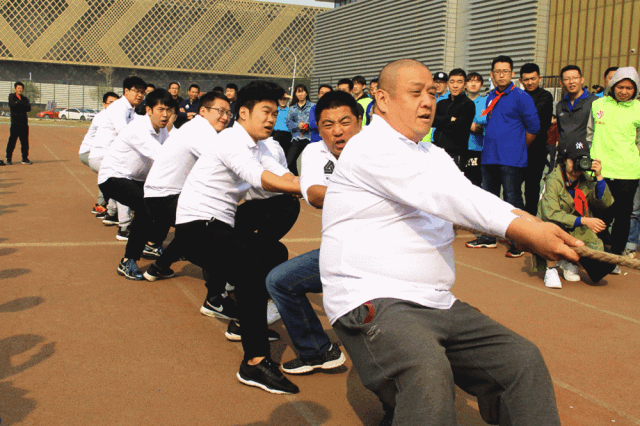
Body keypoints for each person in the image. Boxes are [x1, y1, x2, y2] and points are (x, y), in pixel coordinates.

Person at [321, 58, 577, 426]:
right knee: (426, 371)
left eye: (431, 92)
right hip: (374, 297)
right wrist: (523, 232)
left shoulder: (433, 154)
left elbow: (471, 194)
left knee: (521, 361)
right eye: (415, 93)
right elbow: (447, 197)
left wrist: (535, 223)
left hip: (437, 301)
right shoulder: (368, 148)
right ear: (382, 99)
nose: (428, 101)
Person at [174, 81, 302, 395]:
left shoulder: (259, 146)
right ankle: (255, 362)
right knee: (250, 269)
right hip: (197, 227)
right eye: (266, 112)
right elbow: (260, 179)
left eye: (275, 113)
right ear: (243, 113)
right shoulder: (231, 140)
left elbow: (283, 174)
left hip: (220, 227)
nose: (272, 119)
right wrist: (304, 188)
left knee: (274, 253)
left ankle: (246, 320)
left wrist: (317, 187)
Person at [266, 90, 359, 375]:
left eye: (345, 122)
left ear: (359, 121)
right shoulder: (314, 151)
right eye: (328, 125)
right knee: (280, 281)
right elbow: (315, 194)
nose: (337, 131)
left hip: (384, 253)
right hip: (340, 252)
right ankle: (317, 351)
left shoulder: (378, 151)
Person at [143, 91, 232, 286]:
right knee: (208, 227)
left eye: (228, 113)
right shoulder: (201, 131)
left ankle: (158, 267)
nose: (225, 117)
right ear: (203, 111)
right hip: (164, 197)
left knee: (188, 230)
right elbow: (225, 163)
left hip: (163, 195)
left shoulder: (197, 128)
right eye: (220, 111)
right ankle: (223, 282)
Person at [98, 89, 178, 280]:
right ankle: (128, 260)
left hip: (137, 179)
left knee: (164, 201)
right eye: (161, 109)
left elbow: (173, 152)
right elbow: (162, 156)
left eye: (169, 110)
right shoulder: (138, 129)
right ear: (149, 110)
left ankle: (152, 244)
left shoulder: (162, 131)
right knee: (145, 206)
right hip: (113, 177)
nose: (165, 115)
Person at [466, 55, 540, 257]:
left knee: (513, 198)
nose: (501, 75)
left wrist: (519, 146)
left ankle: (520, 241)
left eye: (505, 71)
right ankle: (489, 236)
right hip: (489, 155)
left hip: (511, 158)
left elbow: (534, 127)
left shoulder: (521, 97)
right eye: (497, 72)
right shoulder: (491, 96)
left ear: (512, 74)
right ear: (492, 75)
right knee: (489, 199)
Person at [538, 143, 616, 288]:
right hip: (552, 227)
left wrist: (599, 176)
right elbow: (550, 214)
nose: (577, 165)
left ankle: (569, 260)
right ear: (565, 160)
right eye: (574, 160)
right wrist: (584, 221)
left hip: (577, 229)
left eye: (582, 161)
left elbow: (603, 204)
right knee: (554, 228)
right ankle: (551, 268)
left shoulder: (585, 179)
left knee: (604, 267)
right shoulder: (554, 180)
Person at [587, 67, 640, 262]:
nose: (624, 91)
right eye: (620, 87)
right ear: (612, 85)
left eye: (629, 88)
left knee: (623, 214)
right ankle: (598, 249)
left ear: (635, 89)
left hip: (627, 171)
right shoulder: (598, 104)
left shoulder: (638, 108)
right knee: (600, 212)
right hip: (600, 170)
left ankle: (616, 254)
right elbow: (590, 133)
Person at [89, 76, 146, 240]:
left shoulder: (131, 110)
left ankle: (111, 214)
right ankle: (124, 227)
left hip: (112, 156)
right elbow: (125, 133)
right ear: (126, 91)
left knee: (122, 184)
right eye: (136, 91)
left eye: (142, 92)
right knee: (124, 184)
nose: (140, 95)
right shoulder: (118, 108)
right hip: (103, 155)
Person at [520, 63, 554, 216]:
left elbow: (535, 116)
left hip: (537, 150)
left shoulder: (545, 96)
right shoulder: (518, 96)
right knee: (512, 188)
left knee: (532, 189)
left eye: (533, 78)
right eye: (526, 79)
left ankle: (530, 220)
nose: (530, 82)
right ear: (521, 81)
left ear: (539, 78)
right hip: (517, 149)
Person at [78, 92, 120, 215]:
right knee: (109, 173)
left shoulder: (114, 115)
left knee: (108, 172)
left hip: (99, 152)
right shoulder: (102, 116)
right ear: (104, 104)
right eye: (110, 103)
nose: (113, 106)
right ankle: (101, 205)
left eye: (116, 103)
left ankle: (107, 204)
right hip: (89, 152)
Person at [432, 68, 475, 170]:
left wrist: (440, 122)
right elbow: (432, 121)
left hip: (455, 154)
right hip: (437, 151)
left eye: (459, 82)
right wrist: (449, 118)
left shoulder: (468, 104)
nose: (455, 85)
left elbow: (459, 128)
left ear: (465, 85)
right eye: (452, 82)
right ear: (448, 84)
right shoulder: (441, 103)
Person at [555, 65, 597, 155]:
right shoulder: (560, 105)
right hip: (564, 156)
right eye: (567, 79)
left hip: (586, 156)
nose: (571, 82)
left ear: (582, 80)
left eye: (575, 78)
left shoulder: (595, 102)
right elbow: (561, 132)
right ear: (561, 83)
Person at [285, 83, 314, 175]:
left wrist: (308, 124)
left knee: (310, 163)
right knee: (289, 163)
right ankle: (296, 179)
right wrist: (297, 125)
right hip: (296, 139)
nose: (300, 94)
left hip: (310, 139)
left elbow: (317, 120)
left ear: (306, 93)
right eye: (298, 92)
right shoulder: (291, 108)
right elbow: (288, 123)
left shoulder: (313, 106)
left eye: (302, 91)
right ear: (295, 94)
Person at [465, 72, 487, 187]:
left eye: (477, 81)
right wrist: (469, 124)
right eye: (470, 81)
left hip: (478, 148)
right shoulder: (459, 101)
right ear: (465, 84)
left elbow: (486, 121)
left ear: (481, 85)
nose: (473, 84)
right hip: (460, 148)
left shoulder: (486, 102)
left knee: (475, 183)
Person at [5, 81, 32, 165]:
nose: (20, 89)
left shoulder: (25, 98)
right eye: (18, 88)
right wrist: (21, 105)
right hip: (15, 124)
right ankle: (8, 158)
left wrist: (19, 103)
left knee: (25, 142)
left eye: (21, 88)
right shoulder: (11, 97)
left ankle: (24, 158)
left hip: (24, 124)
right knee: (12, 141)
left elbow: (28, 108)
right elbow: (13, 106)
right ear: (15, 89)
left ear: (23, 89)